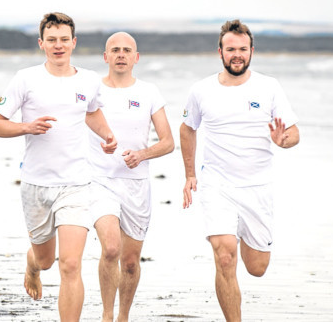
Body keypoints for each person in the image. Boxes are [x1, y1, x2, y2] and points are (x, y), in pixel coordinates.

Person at [0, 12, 117, 321]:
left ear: (73, 43)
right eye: (51, 40)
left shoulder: (88, 80)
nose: (58, 46)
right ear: (41, 44)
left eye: (63, 40)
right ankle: (32, 264)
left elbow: (91, 112)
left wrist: (108, 135)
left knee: (70, 264)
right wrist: (27, 127)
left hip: (76, 183)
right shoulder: (25, 79)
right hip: (36, 184)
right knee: (46, 261)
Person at [179, 19, 300, 321]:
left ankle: (246, 233)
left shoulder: (269, 87)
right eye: (230, 49)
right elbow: (186, 128)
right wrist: (190, 173)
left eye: (242, 49)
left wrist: (282, 140)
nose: (237, 55)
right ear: (219, 51)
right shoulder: (201, 90)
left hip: (257, 186)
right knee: (224, 257)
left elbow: (294, 133)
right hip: (217, 185)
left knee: (257, 268)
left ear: (251, 51)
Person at [89, 32, 174, 322]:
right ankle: (106, 315)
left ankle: (123, 316)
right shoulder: (92, 91)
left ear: (136, 58)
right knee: (111, 248)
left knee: (129, 263)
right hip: (99, 180)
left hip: (136, 184)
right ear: (106, 57)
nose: (121, 54)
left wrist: (142, 155)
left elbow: (168, 142)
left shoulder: (149, 92)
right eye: (115, 50)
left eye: (127, 50)